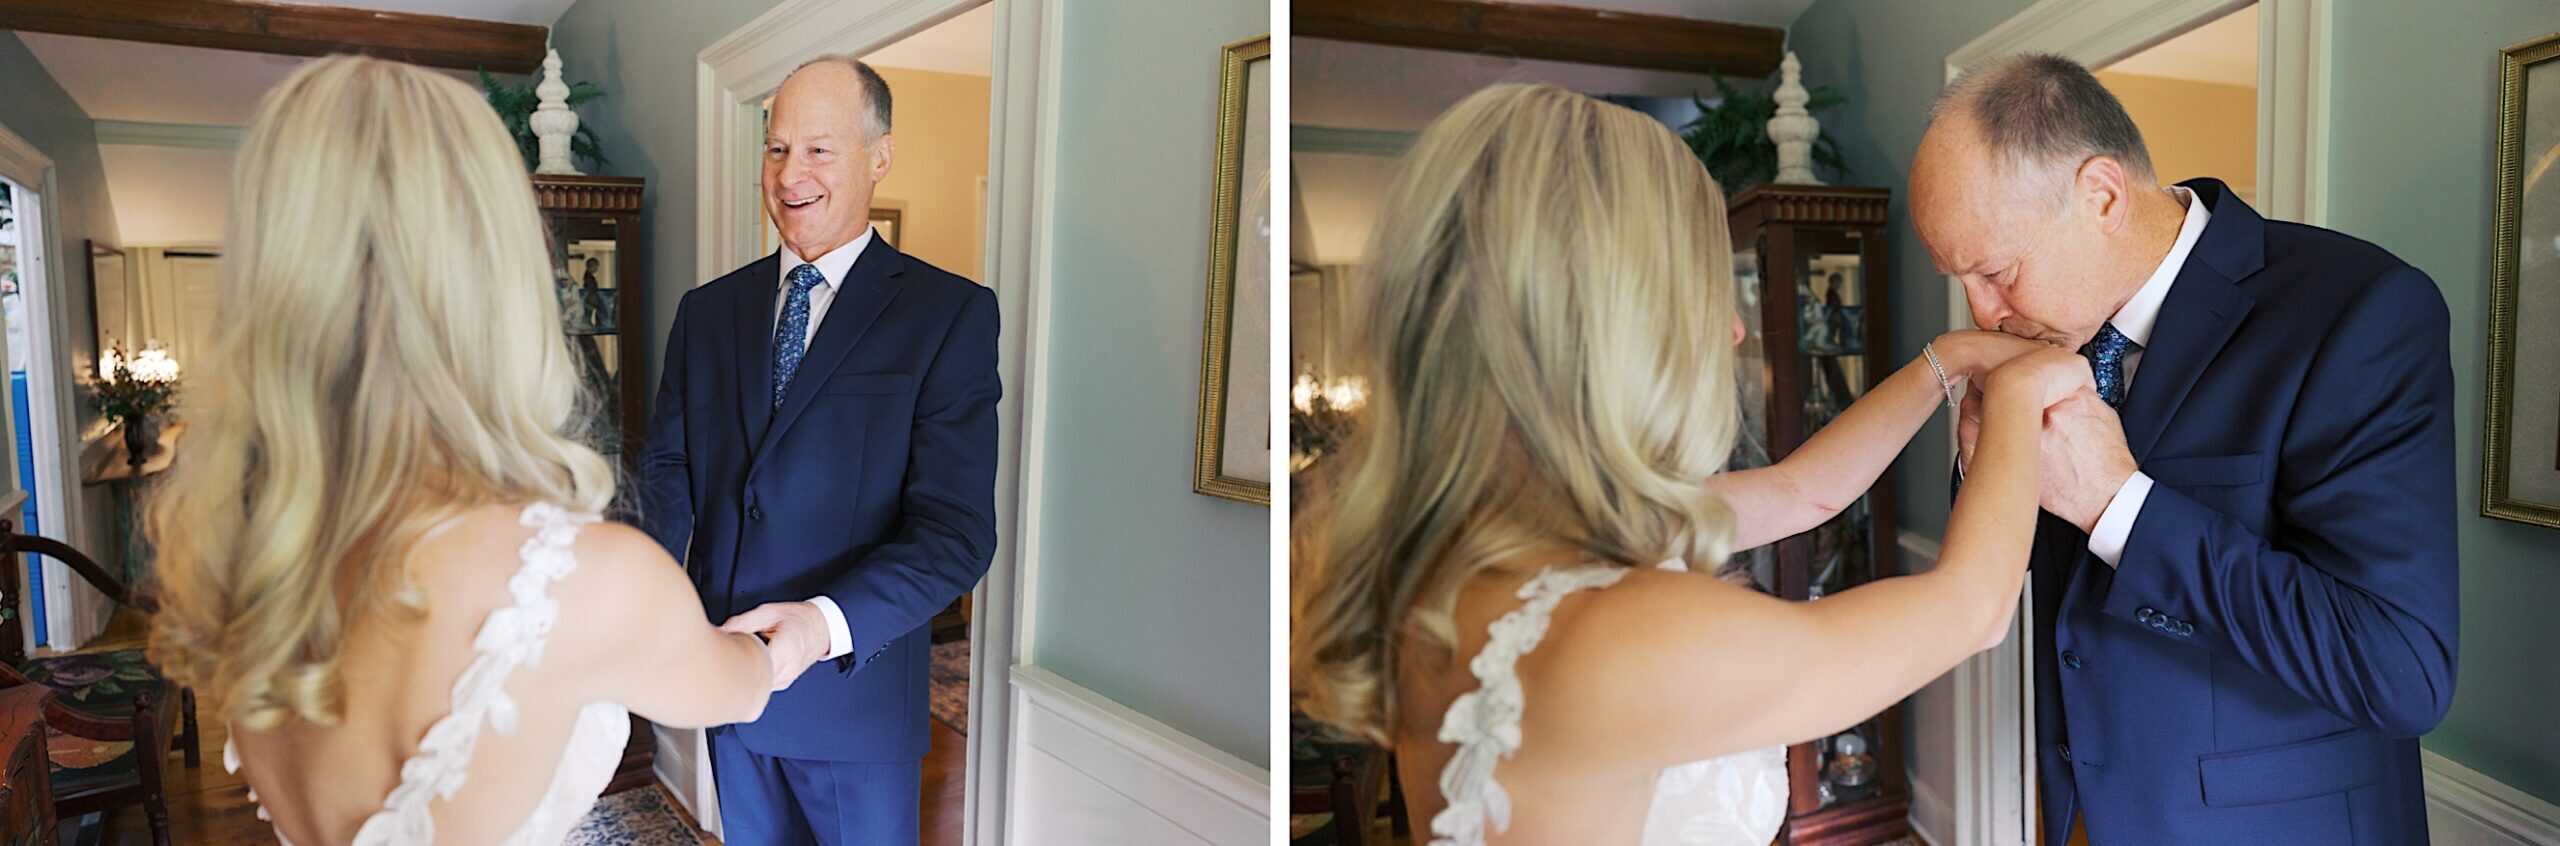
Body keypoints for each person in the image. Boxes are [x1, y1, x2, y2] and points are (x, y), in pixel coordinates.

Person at [1289, 82, 2091, 846]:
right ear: (1612, 329)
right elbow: (1970, 609)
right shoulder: (1617, 638)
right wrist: (2020, 397)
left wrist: (1946, 361)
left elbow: (1801, 491)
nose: (1738, 333)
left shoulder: (1486, 547)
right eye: (1708, 293)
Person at [144, 55, 774, 845]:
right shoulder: (582, 580)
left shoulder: (244, 555)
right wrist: (795, 635)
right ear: (498, 267)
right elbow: (740, 689)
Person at [1913, 54, 2457, 844]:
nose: (1982, 312)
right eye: (1960, 278)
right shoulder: (2048, 341)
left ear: (2101, 195)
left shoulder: (2357, 313)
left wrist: (2118, 506)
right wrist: (1980, 460)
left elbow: (2400, 669)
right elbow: (2025, 579)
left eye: (1997, 272)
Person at [638, 54, 1000, 844]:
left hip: (854, 710)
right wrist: (651, 615)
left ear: (879, 157)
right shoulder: (707, 314)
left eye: (818, 150)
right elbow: (668, 475)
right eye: (776, 149)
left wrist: (822, 624)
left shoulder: (948, 315)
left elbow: (957, 532)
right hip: (726, 688)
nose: (790, 173)